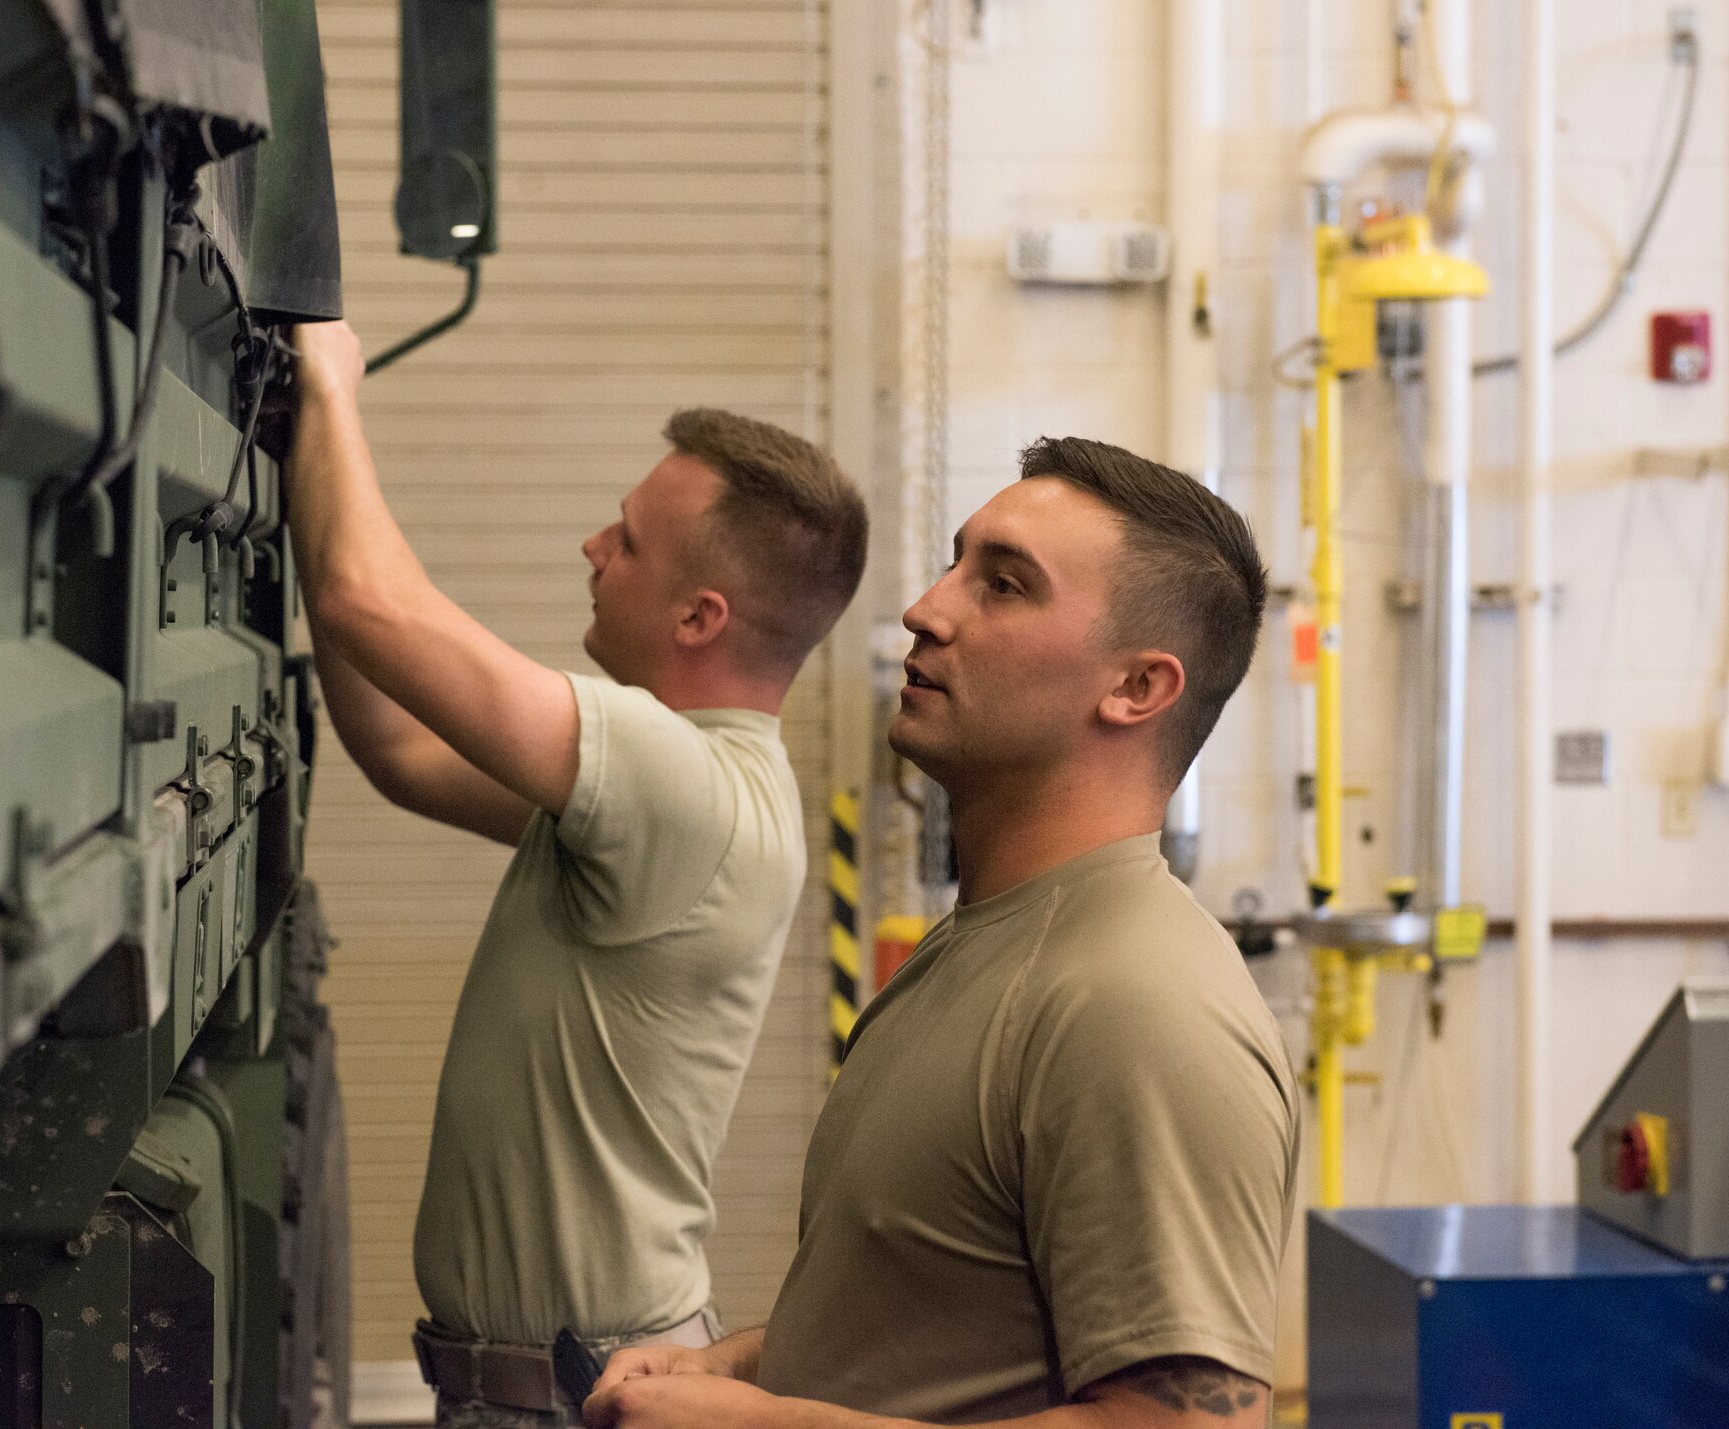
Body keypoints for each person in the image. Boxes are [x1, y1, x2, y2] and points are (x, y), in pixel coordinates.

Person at [583, 437, 1299, 1429]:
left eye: (1002, 585)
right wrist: (735, 1365)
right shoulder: (985, 945)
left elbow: (1180, 1423)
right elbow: (939, 1329)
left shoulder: (1136, 1003)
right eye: (955, 562)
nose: (927, 606)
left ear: (1136, 688)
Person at [283, 321, 870, 1428]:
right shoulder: (671, 793)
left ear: (701, 616)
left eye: (631, 542)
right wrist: (307, 477)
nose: (592, 546)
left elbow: (376, 606)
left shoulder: (677, 783)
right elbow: (405, 752)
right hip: (541, 1384)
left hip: (577, 1394)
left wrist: (329, 384)